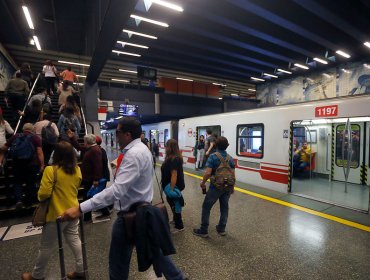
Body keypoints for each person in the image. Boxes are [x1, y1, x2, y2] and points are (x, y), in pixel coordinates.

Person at [61, 117, 186, 280]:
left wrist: (81, 208)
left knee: (118, 263)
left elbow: (117, 191)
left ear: (127, 134)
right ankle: (178, 277)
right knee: (157, 252)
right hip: (142, 212)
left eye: (117, 132)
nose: (116, 135)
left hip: (130, 216)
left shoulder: (134, 154)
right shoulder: (142, 149)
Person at [21, 141, 84, 280]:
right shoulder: (77, 169)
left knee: (46, 246)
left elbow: (43, 194)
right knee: (75, 240)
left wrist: (40, 196)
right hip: (73, 210)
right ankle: (81, 270)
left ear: (56, 154)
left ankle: (36, 276)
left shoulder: (51, 170)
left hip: (56, 215)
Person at [193, 136, 235, 238]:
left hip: (215, 187)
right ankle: (221, 229)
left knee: (206, 207)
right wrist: (232, 187)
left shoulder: (213, 157)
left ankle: (204, 230)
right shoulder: (231, 158)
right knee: (224, 207)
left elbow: (207, 173)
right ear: (227, 146)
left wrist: (203, 183)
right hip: (227, 187)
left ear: (215, 145)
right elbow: (233, 174)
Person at [1, 123, 44, 208]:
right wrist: (42, 165)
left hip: (17, 163)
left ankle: (18, 200)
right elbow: (39, 153)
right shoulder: (36, 138)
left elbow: (4, 148)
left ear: (23, 129)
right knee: (30, 182)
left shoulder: (15, 136)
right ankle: (28, 202)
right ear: (32, 130)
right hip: (31, 164)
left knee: (17, 182)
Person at [68, 133, 102, 222]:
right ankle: (87, 216)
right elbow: (79, 148)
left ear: (88, 142)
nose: (83, 143)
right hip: (88, 177)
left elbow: (98, 165)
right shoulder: (90, 148)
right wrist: (73, 139)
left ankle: (87, 217)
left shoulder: (94, 150)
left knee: (87, 197)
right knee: (88, 197)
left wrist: (96, 179)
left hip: (91, 178)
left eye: (84, 141)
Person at [161, 139, 185, 233]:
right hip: (171, 185)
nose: (165, 148)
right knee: (173, 202)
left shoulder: (174, 159)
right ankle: (176, 219)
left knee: (175, 204)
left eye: (166, 146)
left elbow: (174, 175)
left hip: (173, 185)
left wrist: (171, 189)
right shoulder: (172, 157)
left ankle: (179, 226)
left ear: (170, 147)